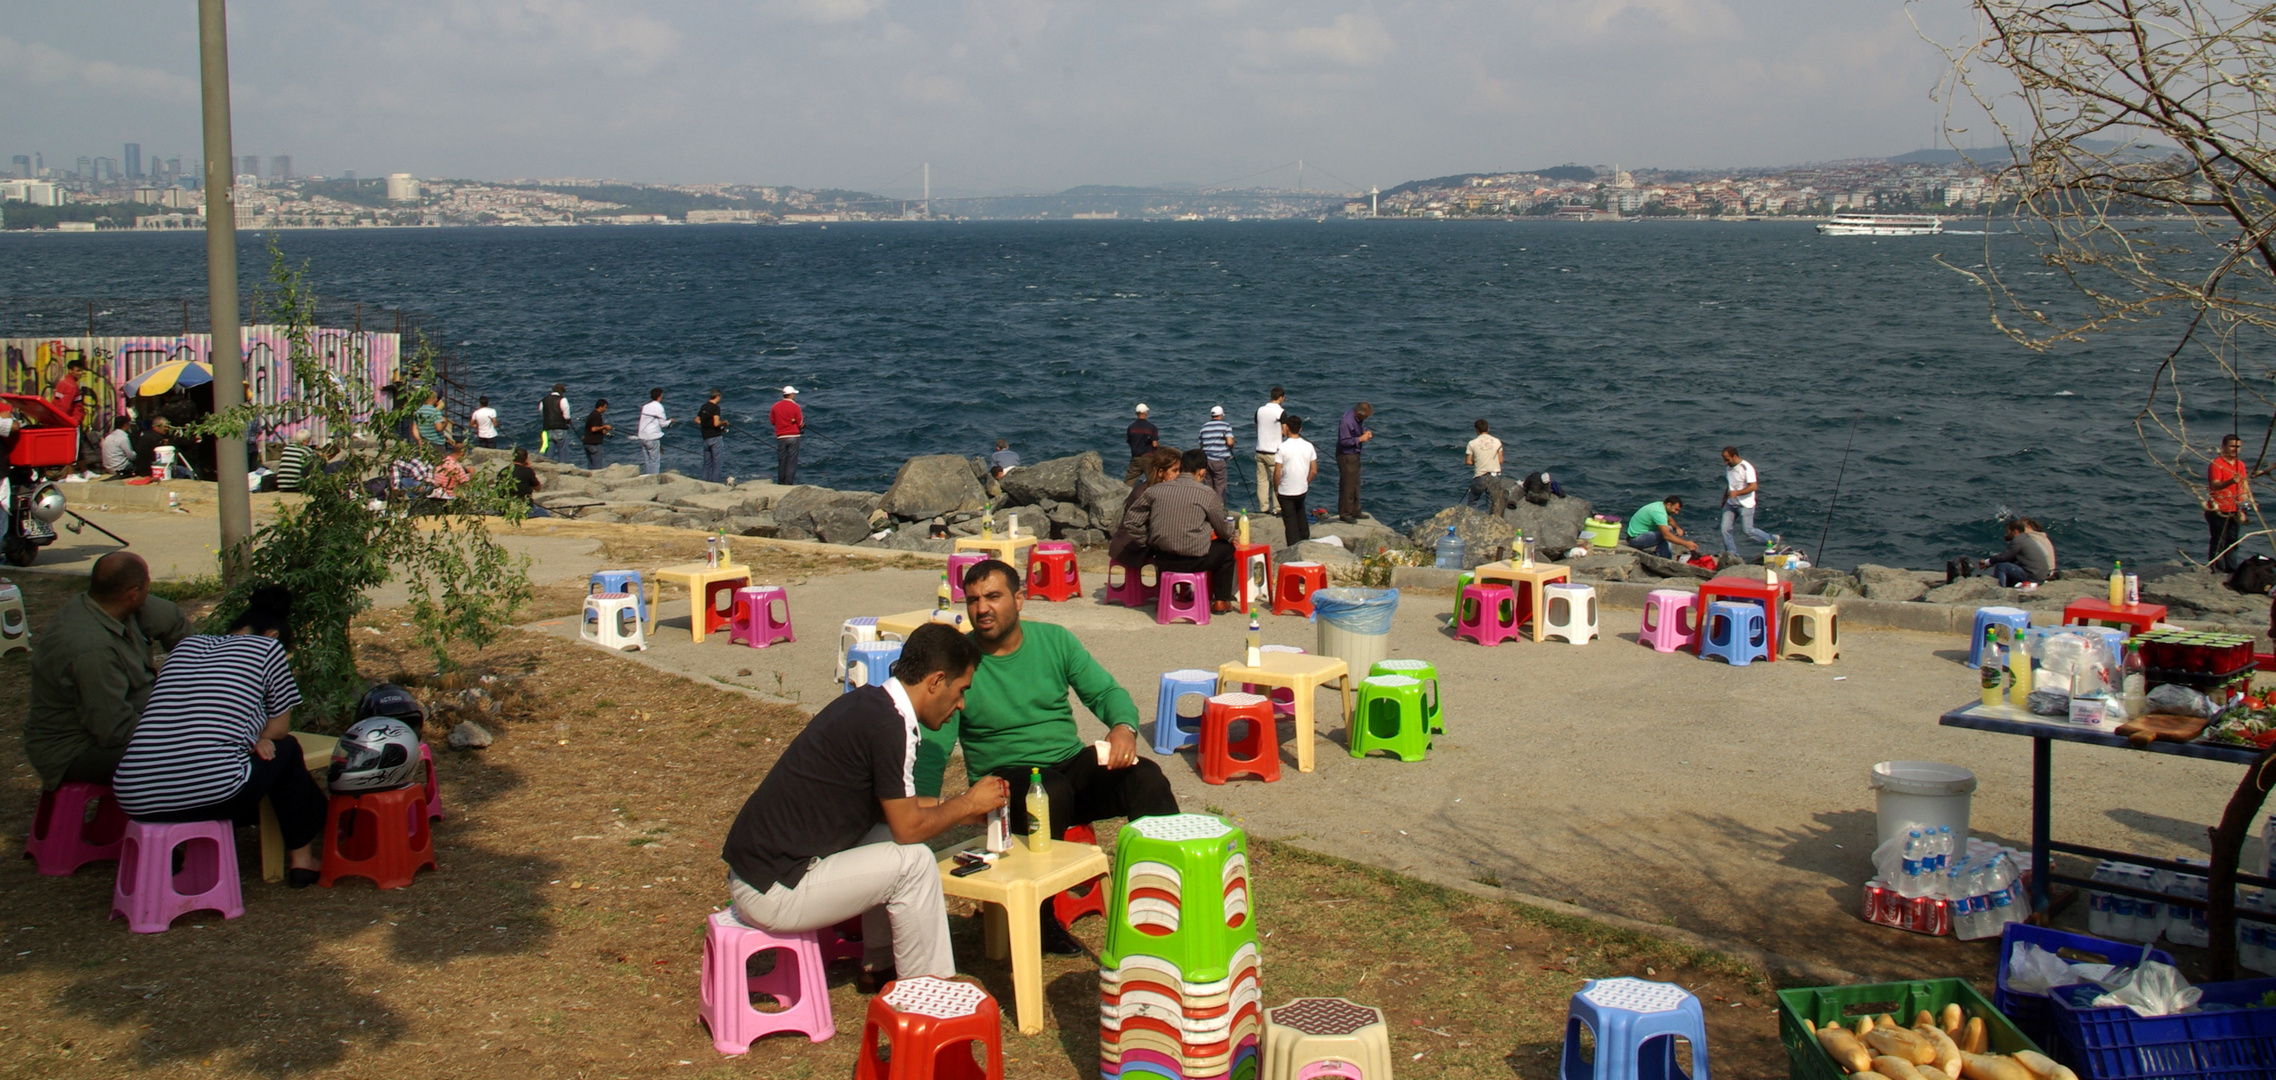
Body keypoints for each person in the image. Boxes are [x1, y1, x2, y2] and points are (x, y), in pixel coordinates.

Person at [723, 623, 1007, 990]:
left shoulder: (870, 704)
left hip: (759, 875)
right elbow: (910, 828)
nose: (962, 704)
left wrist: (962, 809)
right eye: (961, 690)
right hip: (773, 892)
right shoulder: (891, 727)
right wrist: (967, 802)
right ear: (936, 681)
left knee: (888, 834)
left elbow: (897, 809)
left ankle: (881, 965)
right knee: (914, 861)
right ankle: (928, 994)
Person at [916, 561, 1180, 955]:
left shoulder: (1054, 641)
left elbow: (1106, 692)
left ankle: (1165, 899)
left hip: (1067, 765)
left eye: (993, 596)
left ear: (1019, 600)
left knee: (1147, 777)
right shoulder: (960, 660)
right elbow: (935, 744)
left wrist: (1123, 727)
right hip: (1005, 784)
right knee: (1048, 789)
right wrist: (921, 807)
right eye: (972, 600)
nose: (982, 609)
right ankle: (1040, 921)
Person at [110, 586, 325, 886]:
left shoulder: (186, 646)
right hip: (213, 791)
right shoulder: (268, 649)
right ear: (274, 635)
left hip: (134, 794)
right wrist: (256, 737)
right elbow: (279, 728)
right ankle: (302, 860)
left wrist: (245, 735)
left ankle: (166, 858)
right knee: (286, 749)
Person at [22, 552, 193, 789]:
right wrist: (179, 730)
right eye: (146, 588)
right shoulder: (91, 650)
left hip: (126, 722)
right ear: (133, 594)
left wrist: (195, 682)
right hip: (76, 750)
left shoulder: (114, 604)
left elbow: (173, 620)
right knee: (195, 755)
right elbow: (115, 729)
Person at [1127, 448, 1239, 612]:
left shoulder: (1156, 490)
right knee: (1226, 550)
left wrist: (1147, 540)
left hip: (1163, 558)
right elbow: (1222, 529)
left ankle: (1175, 594)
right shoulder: (1206, 493)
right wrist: (1231, 535)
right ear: (1201, 471)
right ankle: (1221, 600)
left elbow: (1132, 520)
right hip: (1195, 560)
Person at [1719, 447, 1778, 558]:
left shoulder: (1746, 468)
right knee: (1725, 529)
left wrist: (1737, 493)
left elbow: (1753, 486)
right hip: (1731, 503)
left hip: (1745, 504)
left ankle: (1773, 539)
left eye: (1727, 460)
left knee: (1748, 531)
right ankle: (1733, 554)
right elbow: (1730, 485)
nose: (1725, 463)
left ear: (1735, 456)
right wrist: (1724, 499)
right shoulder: (1729, 468)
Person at [2209, 433, 2254, 573]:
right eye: (2232, 446)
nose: (2236, 449)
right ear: (2224, 447)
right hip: (2219, 509)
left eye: (2238, 447)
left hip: (2235, 508)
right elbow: (2215, 485)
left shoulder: (2240, 465)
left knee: (2233, 540)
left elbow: (2244, 484)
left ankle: (2231, 568)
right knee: (2219, 540)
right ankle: (2216, 568)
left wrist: (2249, 501)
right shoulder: (2217, 464)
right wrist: (2230, 482)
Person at [1272, 415, 1319, 545]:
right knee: (1300, 513)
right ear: (1300, 429)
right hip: (1301, 488)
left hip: (1285, 490)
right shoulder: (1309, 446)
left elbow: (1277, 473)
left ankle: (1293, 546)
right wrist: (1306, 482)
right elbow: (1314, 470)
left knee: (1290, 520)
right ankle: (1305, 539)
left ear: (1287, 428)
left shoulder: (1282, 447)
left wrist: (1276, 488)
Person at [1978, 518, 2056, 587]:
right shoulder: (2027, 538)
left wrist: (1987, 562)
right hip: (2041, 575)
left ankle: (2001, 589)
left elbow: (2004, 557)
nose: (2006, 534)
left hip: (2033, 576)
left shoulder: (2018, 540)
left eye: (2008, 531)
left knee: (2001, 566)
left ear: (2015, 531)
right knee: (2010, 566)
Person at [1334, 402, 1374, 523]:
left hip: (1355, 454)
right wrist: (1359, 439)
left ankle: (1355, 510)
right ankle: (1345, 513)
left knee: (1355, 483)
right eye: (1365, 417)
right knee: (1348, 485)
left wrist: (1365, 431)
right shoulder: (1346, 421)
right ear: (1358, 413)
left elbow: (1359, 428)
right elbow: (1344, 441)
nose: (1365, 419)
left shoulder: (1356, 418)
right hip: (1346, 456)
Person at [1625, 496, 1699, 559]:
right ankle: (1662, 556)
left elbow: (1669, 519)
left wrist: (1677, 528)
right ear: (1669, 505)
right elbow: (1666, 535)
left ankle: (1664, 555)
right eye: (1676, 509)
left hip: (1639, 535)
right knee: (1666, 533)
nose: (1677, 513)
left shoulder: (1661, 506)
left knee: (1669, 529)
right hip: (1635, 540)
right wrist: (1686, 544)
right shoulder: (1658, 512)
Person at [1253, 387, 1286, 515]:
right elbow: (1284, 431)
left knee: (1262, 481)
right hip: (1274, 452)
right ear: (1281, 398)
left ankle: (1263, 508)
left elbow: (1256, 428)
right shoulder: (1280, 412)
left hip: (1260, 449)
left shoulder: (1259, 410)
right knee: (1277, 480)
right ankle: (1277, 509)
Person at [1464, 419, 1504, 512]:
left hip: (1480, 477)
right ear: (1488, 428)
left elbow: (1468, 461)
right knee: (1492, 503)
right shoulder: (1497, 441)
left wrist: (1477, 462)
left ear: (1476, 430)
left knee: (1472, 501)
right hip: (1494, 475)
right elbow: (1500, 460)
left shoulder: (1472, 443)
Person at [770, 386, 804, 486]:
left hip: (781, 436)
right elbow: (800, 423)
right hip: (793, 436)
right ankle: (788, 482)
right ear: (791, 395)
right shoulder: (796, 406)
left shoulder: (775, 406)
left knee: (782, 459)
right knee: (792, 460)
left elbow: (772, 421)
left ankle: (781, 481)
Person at [1198, 405, 1235, 499]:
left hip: (1206, 460)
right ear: (1221, 415)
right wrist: (1231, 447)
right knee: (1220, 486)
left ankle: (1208, 506)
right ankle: (1219, 508)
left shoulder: (1203, 427)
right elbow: (1230, 442)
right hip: (1219, 459)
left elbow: (1201, 445)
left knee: (1207, 485)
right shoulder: (1225, 426)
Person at [695, 389, 728, 484]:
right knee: (717, 463)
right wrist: (724, 422)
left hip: (705, 438)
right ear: (717, 396)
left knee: (707, 464)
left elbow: (697, 420)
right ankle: (715, 484)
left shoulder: (703, 407)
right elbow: (716, 423)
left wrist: (706, 424)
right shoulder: (715, 408)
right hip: (715, 437)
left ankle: (704, 483)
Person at [637, 388, 671, 475]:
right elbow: (663, 424)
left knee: (647, 461)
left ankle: (649, 477)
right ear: (660, 396)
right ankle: (654, 479)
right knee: (655, 461)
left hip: (642, 436)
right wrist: (670, 421)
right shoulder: (659, 407)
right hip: (652, 437)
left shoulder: (645, 406)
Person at [1124, 403, 1160, 483]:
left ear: (1136, 413)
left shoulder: (1131, 427)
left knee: (1128, 482)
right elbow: (1154, 444)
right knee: (1154, 481)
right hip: (1148, 458)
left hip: (1135, 458)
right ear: (1146, 413)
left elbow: (1129, 442)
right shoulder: (1152, 427)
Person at [511, 447, 550, 517]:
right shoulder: (527, 471)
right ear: (525, 459)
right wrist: (528, 468)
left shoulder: (504, 471)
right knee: (546, 515)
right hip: (524, 507)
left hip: (507, 506)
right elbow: (538, 488)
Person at [539, 383, 573, 462]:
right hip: (560, 428)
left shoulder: (544, 400)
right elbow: (566, 416)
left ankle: (548, 466)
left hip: (547, 428)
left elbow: (542, 412)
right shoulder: (562, 400)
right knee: (563, 450)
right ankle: (564, 468)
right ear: (562, 392)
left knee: (549, 450)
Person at [581, 398, 612, 470]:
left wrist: (604, 431)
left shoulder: (592, 414)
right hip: (594, 444)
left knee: (591, 466)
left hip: (587, 442)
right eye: (605, 407)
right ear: (600, 407)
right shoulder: (597, 415)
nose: (605, 409)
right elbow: (593, 429)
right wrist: (605, 426)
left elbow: (594, 428)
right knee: (597, 467)